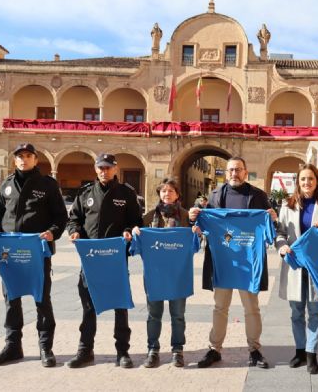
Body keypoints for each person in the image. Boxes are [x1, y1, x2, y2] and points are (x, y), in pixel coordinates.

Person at [0, 143, 67, 367]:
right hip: (10, 254)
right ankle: (13, 346)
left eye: (28, 156)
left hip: (37, 252)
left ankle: (45, 347)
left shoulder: (47, 185)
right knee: (12, 300)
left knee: (42, 299)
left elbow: (61, 218)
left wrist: (53, 233)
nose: (24, 159)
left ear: (35, 159)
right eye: (20, 156)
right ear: (15, 160)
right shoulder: (6, 185)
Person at [189, 156, 278, 368]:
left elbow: (271, 229)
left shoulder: (257, 195)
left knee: (252, 308)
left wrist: (273, 219)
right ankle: (214, 349)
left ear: (245, 172)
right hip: (223, 262)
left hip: (249, 262)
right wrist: (194, 219)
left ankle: (255, 350)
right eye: (230, 170)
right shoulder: (215, 195)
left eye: (238, 169)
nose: (234, 173)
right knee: (220, 307)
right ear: (226, 172)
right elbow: (204, 227)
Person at [66, 153, 142, 369]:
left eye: (108, 167)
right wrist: (74, 232)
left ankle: (123, 351)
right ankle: (85, 350)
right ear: (95, 168)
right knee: (88, 306)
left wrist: (128, 231)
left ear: (115, 169)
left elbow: (135, 221)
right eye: (100, 167)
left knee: (120, 304)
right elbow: (74, 220)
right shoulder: (85, 193)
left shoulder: (126, 193)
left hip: (115, 259)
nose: (104, 171)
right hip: (90, 260)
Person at [275, 164, 318, 374]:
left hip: (316, 266)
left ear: (317, 181)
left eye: (311, 179)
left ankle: (312, 354)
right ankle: (300, 351)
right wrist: (281, 246)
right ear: (298, 182)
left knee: (315, 311)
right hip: (295, 264)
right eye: (303, 179)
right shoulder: (287, 204)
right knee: (296, 312)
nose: (307, 183)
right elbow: (281, 232)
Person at [132, 178, 191, 369]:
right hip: (155, 274)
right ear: (159, 194)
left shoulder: (186, 217)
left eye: (171, 191)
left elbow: (195, 243)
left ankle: (177, 350)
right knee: (154, 314)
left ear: (177, 194)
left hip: (178, 274)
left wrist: (196, 231)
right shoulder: (149, 217)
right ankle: (153, 350)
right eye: (164, 191)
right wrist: (135, 232)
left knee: (178, 315)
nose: (167, 194)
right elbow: (137, 244)